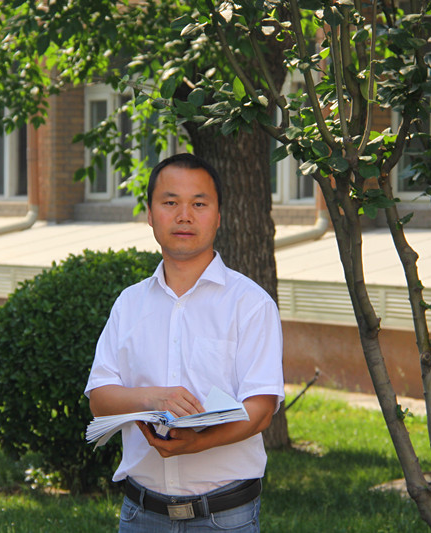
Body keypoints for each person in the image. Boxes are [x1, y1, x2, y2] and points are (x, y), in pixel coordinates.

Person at [85, 153, 284, 532]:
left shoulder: (251, 303)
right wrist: (153, 398)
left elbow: (260, 410)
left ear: (219, 215)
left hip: (225, 517)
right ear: (149, 214)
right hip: (140, 514)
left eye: (199, 204)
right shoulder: (129, 303)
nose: (184, 216)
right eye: (170, 202)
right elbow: (100, 398)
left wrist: (196, 443)